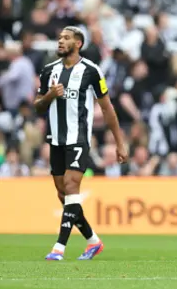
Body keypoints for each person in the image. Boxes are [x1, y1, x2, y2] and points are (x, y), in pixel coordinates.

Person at [34, 26, 128, 261]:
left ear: (78, 44)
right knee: (63, 194)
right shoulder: (48, 71)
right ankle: (93, 241)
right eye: (59, 37)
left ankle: (59, 247)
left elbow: (107, 109)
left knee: (72, 185)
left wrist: (120, 142)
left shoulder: (91, 71)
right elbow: (38, 106)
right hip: (56, 138)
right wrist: (49, 96)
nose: (60, 41)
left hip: (79, 138)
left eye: (66, 38)